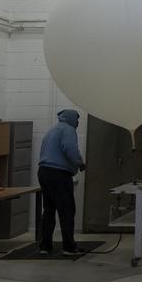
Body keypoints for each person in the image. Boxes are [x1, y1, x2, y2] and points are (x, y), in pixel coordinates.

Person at [36, 109, 85, 256]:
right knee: (66, 210)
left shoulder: (52, 130)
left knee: (49, 210)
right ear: (71, 119)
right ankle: (69, 247)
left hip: (44, 172)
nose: (77, 123)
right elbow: (70, 149)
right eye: (77, 120)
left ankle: (45, 246)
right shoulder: (68, 130)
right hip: (59, 174)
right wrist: (80, 163)